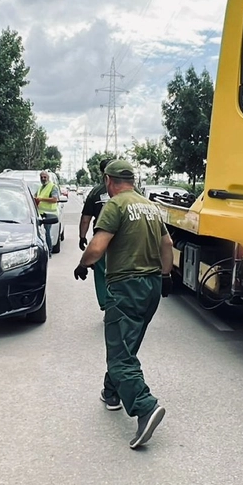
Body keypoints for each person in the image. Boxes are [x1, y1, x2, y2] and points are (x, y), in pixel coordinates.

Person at [74, 159, 172, 449]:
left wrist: (83, 264)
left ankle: (145, 406)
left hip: (126, 286)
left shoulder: (115, 205)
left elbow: (97, 247)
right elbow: (167, 245)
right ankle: (111, 391)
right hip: (152, 285)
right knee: (126, 344)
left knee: (120, 355)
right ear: (132, 180)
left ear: (108, 180)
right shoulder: (150, 206)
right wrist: (166, 275)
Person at [78, 158, 112, 310]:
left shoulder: (95, 192)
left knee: (101, 270)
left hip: (102, 239)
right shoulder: (132, 192)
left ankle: (105, 302)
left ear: (102, 173)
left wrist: (82, 237)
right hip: (126, 239)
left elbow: (86, 219)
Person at [34, 170, 60, 254]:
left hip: (50, 215)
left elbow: (54, 199)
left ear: (48, 178)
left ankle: (49, 250)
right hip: (40, 214)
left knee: (46, 232)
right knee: (39, 232)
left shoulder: (53, 187)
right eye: (41, 177)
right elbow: (35, 197)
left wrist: (41, 199)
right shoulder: (40, 187)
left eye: (45, 177)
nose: (43, 179)